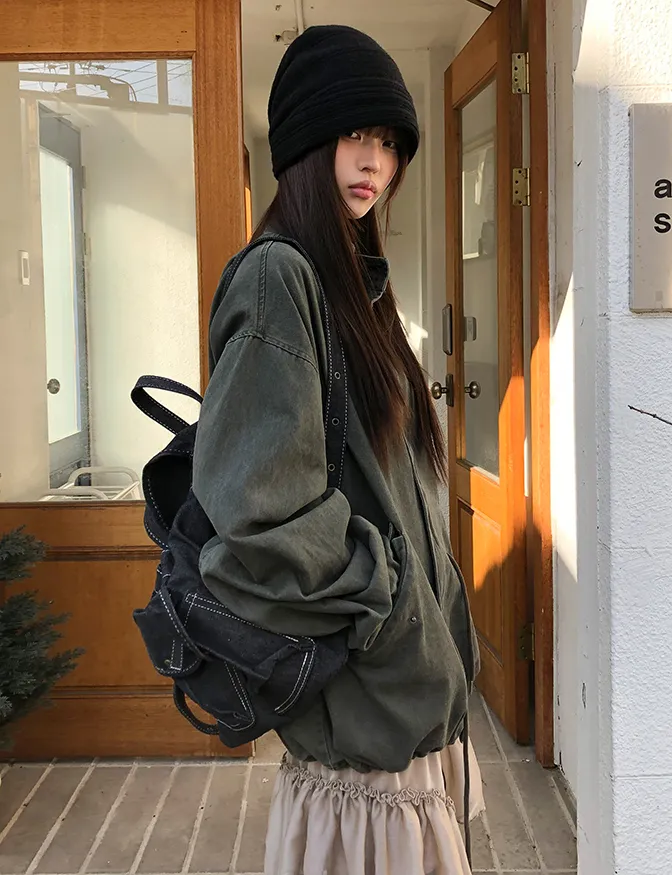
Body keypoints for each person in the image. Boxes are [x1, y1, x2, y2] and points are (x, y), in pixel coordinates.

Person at [192, 24, 484, 875]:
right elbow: (260, 509)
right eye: (356, 133)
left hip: (404, 710)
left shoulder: (352, 282)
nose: (375, 162)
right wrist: (385, 603)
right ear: (306, 140)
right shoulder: (277, 278)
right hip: (365, 720)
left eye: (389, 143)